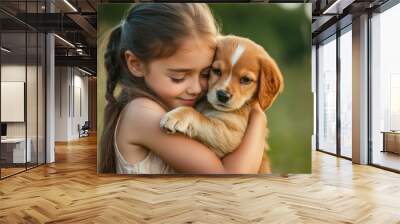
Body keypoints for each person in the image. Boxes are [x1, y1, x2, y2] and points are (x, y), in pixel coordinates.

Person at [99, 3, 266, 174]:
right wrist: (258, 117)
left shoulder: (169, 107)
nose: (195, 88)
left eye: (206, 74)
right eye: (178, 77)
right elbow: (228, 179)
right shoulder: (142, 114)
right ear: (136, 65)